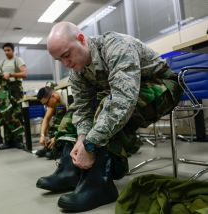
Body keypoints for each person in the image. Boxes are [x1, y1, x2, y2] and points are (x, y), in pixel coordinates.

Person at [46, 22, 183, 212]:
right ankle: (71, 169)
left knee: (109, 109)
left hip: (163, 86)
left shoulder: (117, 46)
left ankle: (99, 184)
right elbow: (83, 108)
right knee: (71, 114)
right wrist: (81, 139)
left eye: (67, 55)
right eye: (59, 60)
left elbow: (122, 102)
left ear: (81, 39)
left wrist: (90, 144)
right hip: (120, 93)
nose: (66, 63)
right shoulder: (77, 72)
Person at [0, 42, 27, 150]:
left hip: (16, 89)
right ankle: (8, 141)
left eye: (8, 50)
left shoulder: (17, 60)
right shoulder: (2, 62)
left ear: (13, 50)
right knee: (6, 114)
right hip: (4, 90)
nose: (6, 52)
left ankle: (19, 140)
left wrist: (10, 74)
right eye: (5, 50)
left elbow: (24, 73)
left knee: (17, 114)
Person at [35, 86, 67, 159]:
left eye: (46, 103)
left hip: (74, 122)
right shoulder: (53, 100)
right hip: (65, 123)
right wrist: (42, 135)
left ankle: (59, 148)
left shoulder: (67, 97)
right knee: (53, 127)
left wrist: (57, 137)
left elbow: (72, 121)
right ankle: (50, 147)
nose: (46, 106)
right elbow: (46, 119)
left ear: (53, 96)